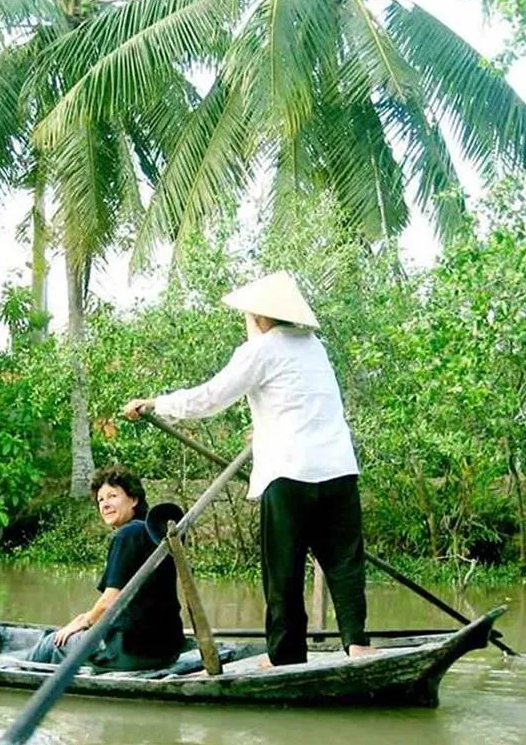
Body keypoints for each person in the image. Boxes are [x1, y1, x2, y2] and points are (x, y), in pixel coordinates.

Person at [123, 270, 373, 667]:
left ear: (260, 317)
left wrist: (154, 403)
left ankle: (286, 656)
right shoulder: (315, 347)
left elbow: (208, 399)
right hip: (339, 469)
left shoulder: (261, 350)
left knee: (283, 570)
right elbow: (301, 403)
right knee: (344, 563)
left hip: (289, 475)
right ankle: (357, 645)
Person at [21, 465, 184, 671]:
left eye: (112, 496)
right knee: (72, 631)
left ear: (134, 500)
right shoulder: (155, 535)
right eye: (101, 500)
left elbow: (110, 603)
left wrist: (85, 621)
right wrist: (85, 617)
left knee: (52, 643)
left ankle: (11, 672)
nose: (105, 505)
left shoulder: (127, 535)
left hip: (132, 651)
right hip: (168, 651)